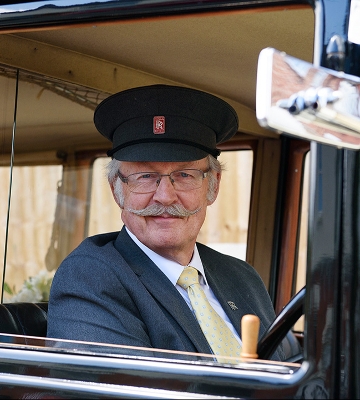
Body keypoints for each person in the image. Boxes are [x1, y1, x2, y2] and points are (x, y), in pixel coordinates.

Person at [47, 84, 296, 362]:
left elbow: (291, 367)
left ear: (213, 185)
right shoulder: (90, 279)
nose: (165, 197)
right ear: (117, 188)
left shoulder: (242, 277)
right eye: (145, 176)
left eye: (185, 175)